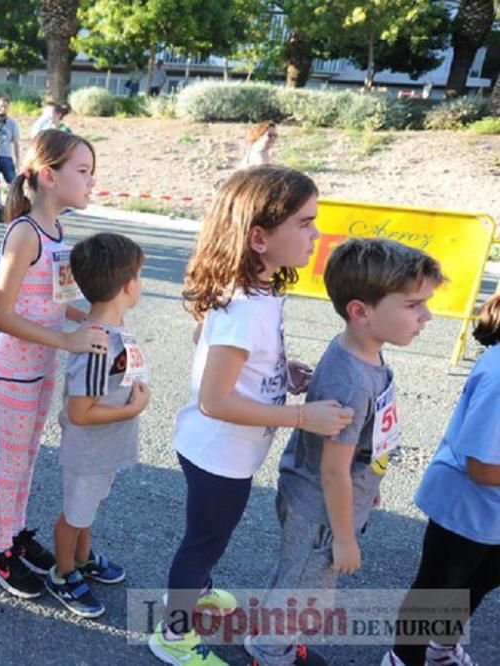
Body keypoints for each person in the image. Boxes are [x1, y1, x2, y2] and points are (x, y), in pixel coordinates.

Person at [147, 165, 355, 665]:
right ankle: (173, 634)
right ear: (259, 237)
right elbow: (215, 401)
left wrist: (281, 371)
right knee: (203, 542)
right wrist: (304, 419)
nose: (316, 234)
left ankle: (195, 596)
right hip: (219, 454)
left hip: (220, 448)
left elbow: (211, 346)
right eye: (305, 224)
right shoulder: (245, 306)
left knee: (210, 537)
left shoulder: (257, 291)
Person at [245, 238, 442, 666]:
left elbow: (362, 445)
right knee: (302, 587)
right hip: (322, 511)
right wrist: (347, 538)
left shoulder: (365, 354)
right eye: (413, 305)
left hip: (333, 503)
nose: (428, 316)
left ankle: (272, 637)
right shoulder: (352, 379)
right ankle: (270, 654)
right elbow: (333, 471)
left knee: (299, 580)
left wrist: (369, 485)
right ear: (360, 311)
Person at [0, 129, 103, 598]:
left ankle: (14, 535)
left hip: (44, 365)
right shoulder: (23, 233)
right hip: (14, 367)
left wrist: (96, 318)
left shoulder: (58, 231)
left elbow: (60, 299)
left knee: (29, 458)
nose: (91, 181)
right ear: (49, 176)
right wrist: (66, 339)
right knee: (11, 462)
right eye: (83, 171)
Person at [381, 296, 500, 666]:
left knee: (479, 582)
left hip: (490, 510)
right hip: (464, 505)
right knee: (437, 588)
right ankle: (402, 658)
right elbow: (481, 468)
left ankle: (440, 648)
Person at [45, 232, 149, 618]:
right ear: (126, 286)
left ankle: (83, 557)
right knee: (74, 513)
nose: (142, 283)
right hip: (89, 448)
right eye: (140, 275)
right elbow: (80, 411)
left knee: (87, 507)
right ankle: (64, 573)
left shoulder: (108, 330)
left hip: (103, 448)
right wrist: (132, 408)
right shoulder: (97, 344)